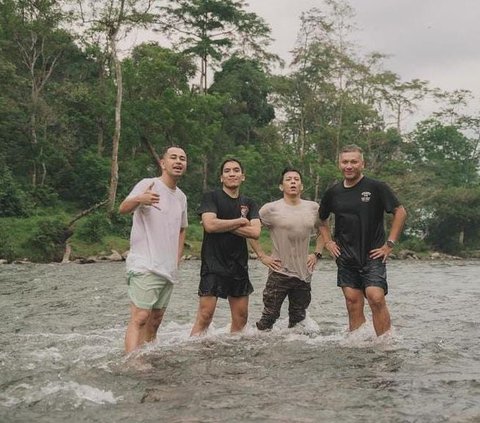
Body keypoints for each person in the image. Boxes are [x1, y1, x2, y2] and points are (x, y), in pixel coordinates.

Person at [319, 144, 407, 336]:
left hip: (373, 253)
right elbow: (321, 219)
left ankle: (385, 343)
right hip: (345, 255)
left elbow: (400, 212)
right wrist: (328, 242)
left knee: (375, 297)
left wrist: (389, 244)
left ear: (362, 164)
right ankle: (358, 345)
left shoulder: (376, 187)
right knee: (352, 301)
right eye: (345, 162)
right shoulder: (333, 193)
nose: (349, 166)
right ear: (339, 164)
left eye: (353, 162)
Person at [119, 146, 188, 353]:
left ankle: (147, 354)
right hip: (145, 263)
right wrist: (140, 199)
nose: (178, 161)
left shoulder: (181, 197)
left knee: (156, 320)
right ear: (163, 163)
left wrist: (177, 258)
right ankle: (132, 361)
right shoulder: (148, 184)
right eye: (173, 157)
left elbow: (183, 228)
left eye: (182, 159)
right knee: (140, 317)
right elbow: (122, 209)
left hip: (167, 267)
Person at [190, 158, 261, 336]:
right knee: (205, 315)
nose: (232, 174)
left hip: (238, 265)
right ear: (221, 177)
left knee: (241, 317)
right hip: (213, 263)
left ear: (242, 176)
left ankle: (232, 355)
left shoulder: (249, 202)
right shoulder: (211, 197)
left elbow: (255, 233)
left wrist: (223, 225)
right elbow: (210, 226)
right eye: (227, 171)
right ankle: (192, 351)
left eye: (236, 170)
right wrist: (239, 221)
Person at [249, 167, 324, 331]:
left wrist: (317, 253)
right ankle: (259, 350)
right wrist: (262, 256)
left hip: (304, 273)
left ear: (301, 186)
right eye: (289, 179)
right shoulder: (270, 209)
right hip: (279, 271)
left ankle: (294, 354)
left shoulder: (313, 208)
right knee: (269, 317)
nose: (293, 182)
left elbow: (323, 230)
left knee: (299, 321)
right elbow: (251, 231)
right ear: (281, 186)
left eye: (296, 179)